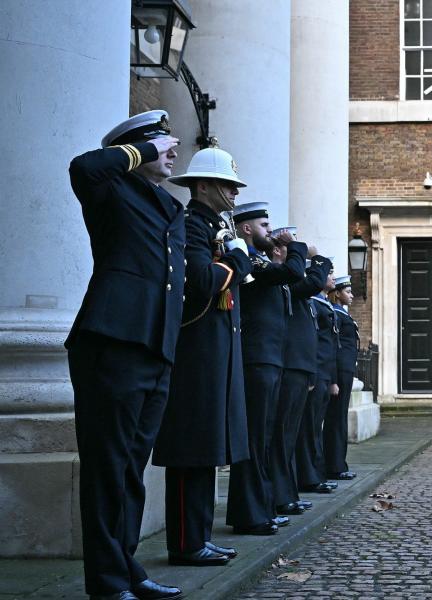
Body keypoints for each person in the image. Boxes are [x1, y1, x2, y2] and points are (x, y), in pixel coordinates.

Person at [67, 110, 184, 600]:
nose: (174, 150)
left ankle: (126, 564)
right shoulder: (111, 188)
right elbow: (84, 166)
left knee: (132, 467)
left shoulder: (168, 205)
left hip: (154, 347)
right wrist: (141, 150)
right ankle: (107, 581)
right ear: (139, 148)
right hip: (112, 340)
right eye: (164, 143)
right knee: (107, 466)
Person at [152, 148, 252, 567]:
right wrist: (235, 257)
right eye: (227, 185)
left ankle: (199, 536)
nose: (233, 192)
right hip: (196, 352)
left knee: (207, 448)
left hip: (215, 349)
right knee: (191, 449)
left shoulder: (216, 225)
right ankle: (185, 542)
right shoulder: (193, 225)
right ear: (204, 186)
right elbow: (202, 280)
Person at [225, 202, 307, 535]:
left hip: (269, 358)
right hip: (255, 357)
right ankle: (249, 513)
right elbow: (293, 272)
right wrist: (294, 246)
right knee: (254, 438)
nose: (271, 232)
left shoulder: (258, 260)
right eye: (264, 225)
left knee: (263, 438)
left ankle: (261, 507)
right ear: (246, 229)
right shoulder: (248, 260)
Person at [268, 228, 330, 516]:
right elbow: (315, 280)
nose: (293, 258)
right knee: (281, 437)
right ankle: (279, 496)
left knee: (288, 437)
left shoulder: (292, 284)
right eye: (282, 250)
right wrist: (313, 255)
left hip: (299, 366)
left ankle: (286, 493)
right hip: (288, 364)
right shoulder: (284, 282)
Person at [295, 266, 340, 495]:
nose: (331, 277)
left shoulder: (323, 304)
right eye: (328, 273)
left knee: (315, 428)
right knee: (309, 428)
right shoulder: (313, 302)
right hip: (316, 371)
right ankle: (309, 476)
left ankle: (316, 473)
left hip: (323, 373)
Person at [324, 275, 360, 481]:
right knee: (335, 420)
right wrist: (334, 379)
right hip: (340, 373)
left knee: (339, 419)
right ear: (336, 294)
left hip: (346, 372)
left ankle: (339, 463)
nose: (352, 295)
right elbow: (334, 349)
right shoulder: (335, 314)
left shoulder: (341, 314)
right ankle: (334, 466)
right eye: (348, 292)